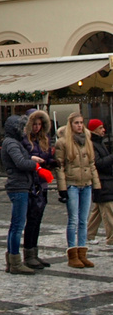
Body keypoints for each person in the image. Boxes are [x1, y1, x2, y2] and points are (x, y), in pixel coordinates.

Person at [55, 111, 101, 268]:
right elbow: (59, 166)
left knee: (83, 220)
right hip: (72, 184)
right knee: (73, 220)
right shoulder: (63, 142)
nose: (80, 125)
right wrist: (62, 188)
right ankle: (72, 254)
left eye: (81, 122)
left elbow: (92, 164)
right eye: (76, 123)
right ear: (70, 124)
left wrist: (96, 185)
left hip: (86, 184)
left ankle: (82, 253)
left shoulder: (87, 140)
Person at [0, 114, 44, 275]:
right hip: (18, 186)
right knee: (17, 226)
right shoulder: (11, 143)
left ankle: (14, 261)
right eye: (23, 128)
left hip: (21, 185)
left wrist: (30, 158)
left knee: (17, 225)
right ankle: (15, 262)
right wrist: (35, 164)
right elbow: (20, 162)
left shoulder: (13, 142)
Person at [22, 109, 55, 269]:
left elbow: (47, 156)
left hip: (42, 182)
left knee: (38, 220)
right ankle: (28, 253)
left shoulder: (44, 139)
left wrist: (51, 161)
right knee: (32, 220)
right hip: (31, 183)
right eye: (34, 124)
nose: (36, 127)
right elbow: (21, 159)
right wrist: (31, 160)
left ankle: (34, 252)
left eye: (39, 124)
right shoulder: (24, 140)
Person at [87, 119, 113, 248]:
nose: (104, 130)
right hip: (102, 181)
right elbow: (98, 163)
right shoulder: (92, 144)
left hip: (105, 180)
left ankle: (89, 234)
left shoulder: (99, 143)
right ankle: (111, 238)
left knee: (97, 211)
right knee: (108, 211)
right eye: (101, 128)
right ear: (94, 130)